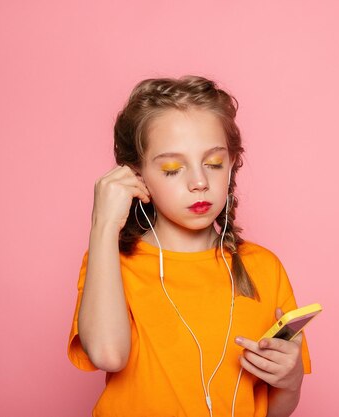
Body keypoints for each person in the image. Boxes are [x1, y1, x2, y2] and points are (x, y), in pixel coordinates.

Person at [68, 75, 312, 417]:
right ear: (136, 174)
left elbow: (274, 411)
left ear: (232, 163)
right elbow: (108, 354)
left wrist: (291, 380)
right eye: (171, 169)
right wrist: (103, 224)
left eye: (213, 163)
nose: (199, 182)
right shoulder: (112, 263)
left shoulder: (264, 269)